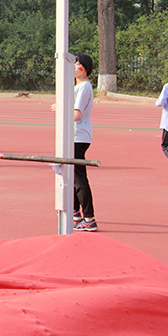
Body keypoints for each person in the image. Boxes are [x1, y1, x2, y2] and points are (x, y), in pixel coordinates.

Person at [70, 53, 96, 231]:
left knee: (79, 178)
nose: (74, 67)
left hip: (78, 137)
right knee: (71, 175)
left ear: (85, 68)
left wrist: (60, 109)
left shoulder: (84, 87)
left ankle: (89, 217)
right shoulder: (78, 87)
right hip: (74, 136)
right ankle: (75, 211)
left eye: (77, 64)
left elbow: (76, 114)